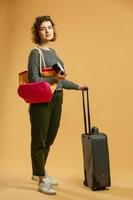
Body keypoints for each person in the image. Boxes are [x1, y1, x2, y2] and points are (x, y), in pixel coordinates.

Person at [28, 15, 88, 195]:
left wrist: (77, 86)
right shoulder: (35, 53)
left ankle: (40, 171)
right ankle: (40, 179)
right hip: (42, 102)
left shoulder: (53, 53)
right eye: (43, 28)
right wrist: (55, 78)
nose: (47, 31)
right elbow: (34, 80)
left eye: (49, 27)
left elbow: (60, 81)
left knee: (50, 138)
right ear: (37, 33)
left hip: (57, 99)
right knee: (39, 139)